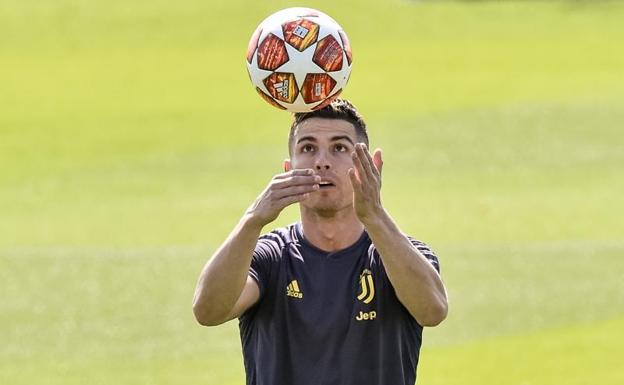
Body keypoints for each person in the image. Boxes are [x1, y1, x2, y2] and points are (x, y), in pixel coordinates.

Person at [192, 99, 448, 385]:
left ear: (367, 167)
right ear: (289, 168)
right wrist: (253, 219)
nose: (322, 161)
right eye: (308, 148)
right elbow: (207, 311)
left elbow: (433, 310)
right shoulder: (271, 257)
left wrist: (375, 215)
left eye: (339, 148)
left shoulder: (397, 255)